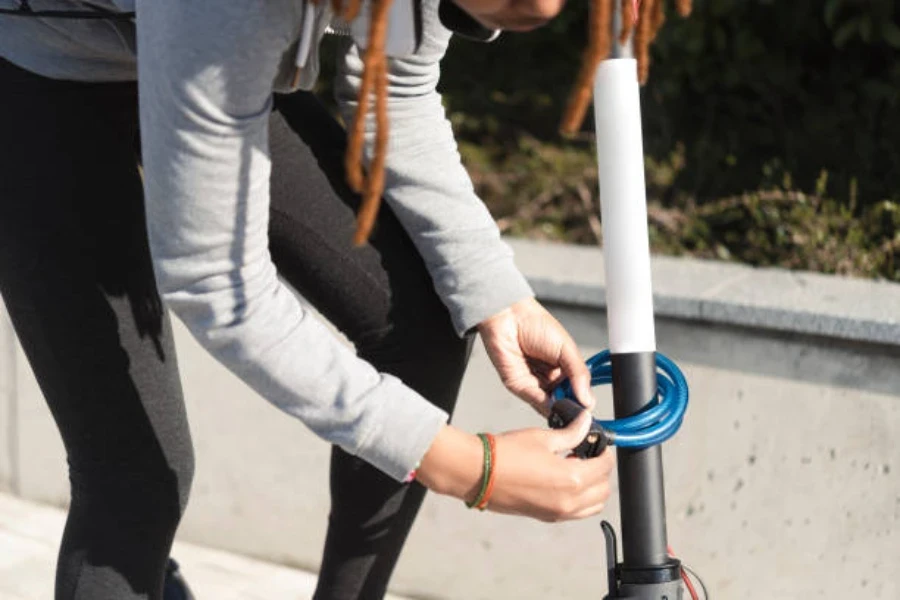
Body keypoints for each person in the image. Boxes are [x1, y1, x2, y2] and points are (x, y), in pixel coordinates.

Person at [0, 0, 614, 598]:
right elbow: (217, 284)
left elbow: (394, 91)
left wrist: (497, 295)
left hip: (198, 50)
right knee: (135, 478)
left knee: (420, 325)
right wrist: (469, 469)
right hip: (36, 66)